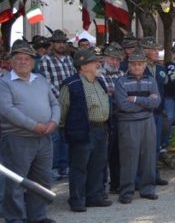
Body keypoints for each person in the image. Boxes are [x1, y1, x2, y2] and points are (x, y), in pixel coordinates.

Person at [0, 40, 60, 223]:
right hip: (18, 138)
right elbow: (7, 111)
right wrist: (34, 126)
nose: (23, 62)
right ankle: (15, 218)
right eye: (18, 59)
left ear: (33, 62)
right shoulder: (4, 83)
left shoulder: (40, 80)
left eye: (27, 59)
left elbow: (55, 104)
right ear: (11, 61)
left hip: (44, 137)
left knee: (42, 178)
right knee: (16, 181)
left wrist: (54, 122)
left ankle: (38, 215)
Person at [60, 47, 112, 212]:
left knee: (98, 164)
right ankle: (77, 199)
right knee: (79, 166)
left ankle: (94, 196)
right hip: (82, 129)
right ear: (82, 66)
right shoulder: (71, 84)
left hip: (101, 129)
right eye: (93, 62)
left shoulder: (100, 81)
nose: (98, 63)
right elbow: (63, 108)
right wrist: (64, 128)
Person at [115, 51, 161, 203]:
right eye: (133, 64)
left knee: (149, 157)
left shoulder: (151, 80)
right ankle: (126, 192)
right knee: (129, 158)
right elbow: (123, 105)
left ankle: (147, 189)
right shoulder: (121, 81)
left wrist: (135, 99)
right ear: (129, 65)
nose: (136, 67)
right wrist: (146, 103)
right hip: (128, 123)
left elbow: (156, 102)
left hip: (148, 122)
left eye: (140, 64)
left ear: (145, 65)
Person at [39, 29, 74, 181]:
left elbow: (73, 78)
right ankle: (53, 167)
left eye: (63, 42)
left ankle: (64, 165)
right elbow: (46, 83)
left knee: (66, 135)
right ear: (52, 44)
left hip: (69, 102)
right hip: (53, 103)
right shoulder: (45, 60)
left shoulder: (69, 60)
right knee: (54, 137)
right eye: (58, 42)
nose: (61, 45)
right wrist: (62, 96)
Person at [140, 37, 169, 185]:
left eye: (157, 50)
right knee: (143, 146)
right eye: (153, 50)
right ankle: (141, 178)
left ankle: (154, 175)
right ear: (145, 51)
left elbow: (164, 88)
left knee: (156, 145)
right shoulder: (138, 67)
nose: (157, 52)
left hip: (157, 112)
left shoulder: (161, 69)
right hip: (143, 113)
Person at [99, 44, 125, 194]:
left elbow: (123, 94)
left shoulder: (121, 74)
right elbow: (105, 94)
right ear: (104, 58)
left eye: (117, 59)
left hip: (120, 117)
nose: (115, 62)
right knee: (103, 154)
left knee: (117, 152)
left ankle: (116, 183)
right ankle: (101, 186)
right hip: (104, 118)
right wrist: (115, 93)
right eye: (112, 59)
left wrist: (113, 92)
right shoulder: (98, 74)